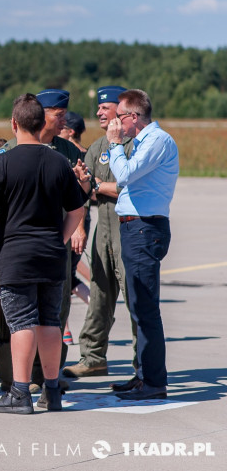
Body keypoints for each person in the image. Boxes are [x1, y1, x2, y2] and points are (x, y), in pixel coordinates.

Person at [0, 94, 86, 414]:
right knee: (51, 321)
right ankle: (51, 391)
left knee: (21, 323)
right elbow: (77, 210)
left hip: (16, 254)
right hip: (52, 255)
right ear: (41, 124)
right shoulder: (59, 162)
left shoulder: (3, 162)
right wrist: (60, 239)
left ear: (14, 124)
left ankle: (20, 393)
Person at [105, 89, 178, 400]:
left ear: (133, 117)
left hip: (144, 230)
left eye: (120, 116)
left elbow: (124, 175)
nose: (116, 122)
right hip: (136, 229)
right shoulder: (144, 141)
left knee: (145, 309)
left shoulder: (156, 140)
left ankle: (153, 383)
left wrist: (113, 144)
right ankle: (144, 375)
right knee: (138, 307)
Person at [64, 86, 141, 383]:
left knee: (135, 298)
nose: (98, 113)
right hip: (102, 233)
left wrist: (96, 186)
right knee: (99, 295)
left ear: (121, 111)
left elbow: (130, 187)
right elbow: (83, 193)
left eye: (105, 108)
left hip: (128, 232)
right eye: (98, 108)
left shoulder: (136, 145)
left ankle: (141, 363)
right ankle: (93, 357)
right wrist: (85, 187)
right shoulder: (97, 147)